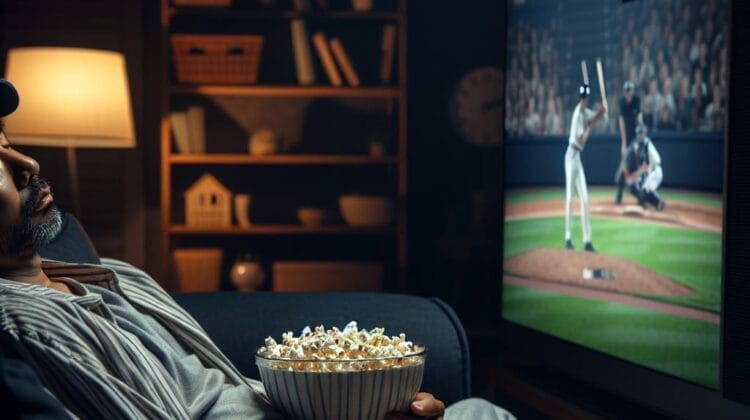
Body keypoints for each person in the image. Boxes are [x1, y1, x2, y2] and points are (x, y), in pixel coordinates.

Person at [0, 79, 513, 419]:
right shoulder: (24, 326)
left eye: (7, 139)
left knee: (478, 412)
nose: (27, 164)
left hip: (280, 405)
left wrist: (348, 400)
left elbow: (224, 383)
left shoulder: (108, 274)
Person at [564, 83, 607, 252]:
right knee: (569, 197)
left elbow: (595, 118)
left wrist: (602, 111)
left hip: (577, 158)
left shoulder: (584, 111)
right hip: (570, 156)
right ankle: (568, 237)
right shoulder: (577, 115)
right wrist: (592, 124)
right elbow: (581, 140)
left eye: (586, 98)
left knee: (585, 199)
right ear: (581, 98)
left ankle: (587, 241)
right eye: (583, 98)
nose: (585, 100)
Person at [624, 124, 666, 211]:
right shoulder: (641, 144)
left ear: (644, 134)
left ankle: (659, 202)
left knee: (646, 190)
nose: (639, 135)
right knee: (643, 191)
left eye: (641, 133)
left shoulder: (647, 144)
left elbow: (651, 163)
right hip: (651, 171)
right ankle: (647, 203)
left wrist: (638, 173)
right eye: (638, 133)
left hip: (655, 171)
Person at [614, 80, 642, 204]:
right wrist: (624, 142)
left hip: (636, 140)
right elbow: (621, 122)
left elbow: (639, 120)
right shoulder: (622, 103)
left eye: (630, 90)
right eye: (627, 91)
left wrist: (639, 142)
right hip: (628, 140)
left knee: (637, 168)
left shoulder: (636, 100)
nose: (629, 93)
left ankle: (641, 196)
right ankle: (619, 196)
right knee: (624, 167)